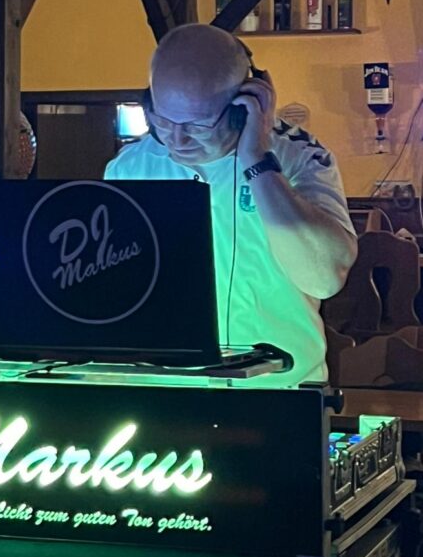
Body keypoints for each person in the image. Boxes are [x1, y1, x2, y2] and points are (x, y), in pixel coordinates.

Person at [105, 23, 357, 387]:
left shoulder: (299, 157)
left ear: (244, 106)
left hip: (279, 389)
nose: (178, 139)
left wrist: (258, 161)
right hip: (166, 390)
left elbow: (323, 279)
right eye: (162, 120)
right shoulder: (130, 168)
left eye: (198, 125)